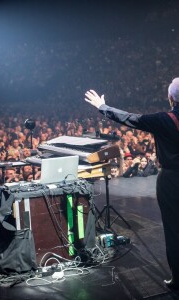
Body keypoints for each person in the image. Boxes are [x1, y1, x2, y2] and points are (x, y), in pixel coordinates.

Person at [84, 77, 179, 290]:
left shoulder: (164, 119)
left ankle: (178, 278)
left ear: (170, 98)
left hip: (172, 181)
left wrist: (102, 107)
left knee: (174, 230)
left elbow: (130, 118)